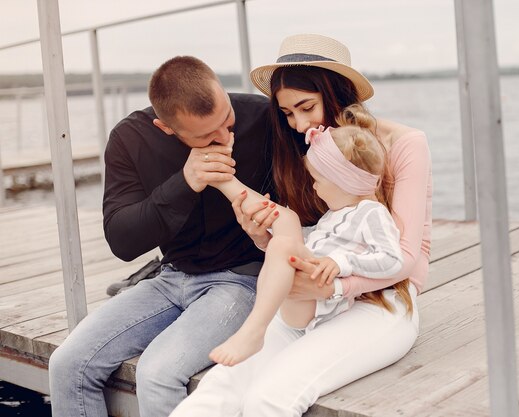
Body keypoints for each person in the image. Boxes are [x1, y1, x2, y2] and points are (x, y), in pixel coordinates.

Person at [170, 33, 432, 416]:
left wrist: (337, 285)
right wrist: (262, 239)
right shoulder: (310, 149)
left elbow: (407, 256)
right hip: (307, 300)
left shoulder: (405, 144)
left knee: (267, 398)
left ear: (336, 91)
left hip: (379, 302)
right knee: (217, 390)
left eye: (306, 107)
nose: (297, 123)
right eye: (288, 113)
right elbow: (306, 233)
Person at [47, 56, 275, 417]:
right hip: (169, 278)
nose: (224, 137)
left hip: (242, 281)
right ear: (166, 128)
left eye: (227, 120)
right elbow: (122, 242)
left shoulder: (264, 117)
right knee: (67, 364)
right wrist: (184, 183)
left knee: (157, 373)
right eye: (205, 135)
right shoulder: (130, 138)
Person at [209, 109, 404, 366]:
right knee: (282, 234)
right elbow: (310, 242)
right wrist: (266, 236)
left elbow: (392, 260)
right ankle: (223, 181)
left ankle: (253, 331)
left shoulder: (372, 213)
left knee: (283, 240)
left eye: (317, 180)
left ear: (343, 182)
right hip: (304, 297)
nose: (313, 187)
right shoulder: (334, 216)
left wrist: (341, 262)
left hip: (320, 304)